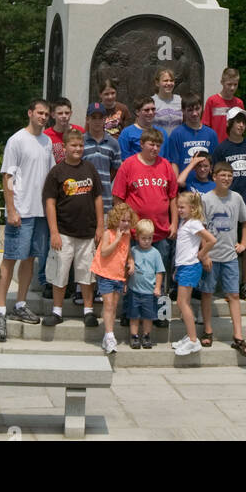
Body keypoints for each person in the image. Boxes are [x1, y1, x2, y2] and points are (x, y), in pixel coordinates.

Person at [0, 98, 54, 341]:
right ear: (30, 113)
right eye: (40, 113)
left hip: (39, 212)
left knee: (29, 259)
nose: (43, 117)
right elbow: (7, 176)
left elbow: (49, 176)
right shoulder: (17, 140)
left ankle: (20, 304)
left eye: (46, 114)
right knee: (10, 258)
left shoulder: (47, 141)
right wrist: (11, 209)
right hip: (21, 211)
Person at [112, 127, 178, 326]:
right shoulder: (128, 166)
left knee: (160, 273)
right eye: (151, 144)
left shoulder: (165, 165)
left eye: (158, 145)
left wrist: (174, 222)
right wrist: (123, 225)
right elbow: (118, 198)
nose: (155, 148)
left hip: (160, 232)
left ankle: (161, 313)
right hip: (134, 233)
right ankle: (128, 311)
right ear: (141, 144)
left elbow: (173, 197)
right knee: (130, 272)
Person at [40, 129, 103, 328]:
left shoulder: (90, 169)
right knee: (60, 273)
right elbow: (49, 203)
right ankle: (57, 311)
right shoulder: (57, 172)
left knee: (86, 274)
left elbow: (98, 198)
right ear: (65, 147)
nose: (78, 149)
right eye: (74, 145)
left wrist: (100, 226)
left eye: (80, 145)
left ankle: (88, 311)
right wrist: (54, 232)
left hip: (87, 232)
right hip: (64, 233)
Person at [211, 107, 246, 301]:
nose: (241, 125)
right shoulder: (221, 149)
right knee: (228, 244)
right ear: (230, 124)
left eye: (243, 122)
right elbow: (215, 175)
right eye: (237, 121)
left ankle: (245, 284)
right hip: (226, 204)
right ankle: (228, 286)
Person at [200, 161, 246, 356]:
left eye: (230, 175)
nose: (226, 179)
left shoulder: (236, 198)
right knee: (207, 292)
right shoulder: (206, 199)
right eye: (223, 175)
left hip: (230, 255)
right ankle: (207, 329)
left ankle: (238, 336)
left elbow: (245, 221)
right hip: (211, 256)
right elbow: (200, 229)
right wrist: (203, 253)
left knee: (234, 295)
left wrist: (244, 244)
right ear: (214, 177)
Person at [171, 192, 215, 356]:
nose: (179, 209)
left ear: (193, 208)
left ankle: (193, 340)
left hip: (190, 267)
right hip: (183, 266)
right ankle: (190, 336)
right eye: (178, 206)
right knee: (184, 302)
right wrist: (177, 268)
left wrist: (202, 254)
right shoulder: (185, 222)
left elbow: (211, 240)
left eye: (182, 207)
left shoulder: (195, 223)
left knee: (182, 303)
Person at [91, 200, 137, 355]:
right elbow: (104, 252)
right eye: (122, 220)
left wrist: (131, 261)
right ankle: (110, 336)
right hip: (105, 273)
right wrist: (116, 239)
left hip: (118, 275)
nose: (125, 224)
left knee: (114, 305)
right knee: (109, 304)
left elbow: (127, 253)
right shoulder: (108, 234)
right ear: (116, 220)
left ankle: (107, 335)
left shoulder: (127, 236)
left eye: (128, 221)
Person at [127, 217, 165, 349]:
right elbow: (127, 270)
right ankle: (134, 336)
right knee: (134, 316)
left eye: (149, 238)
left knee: (148, 316)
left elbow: (159, 272)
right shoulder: (133, 251)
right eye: (144, 238)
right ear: (137, 237)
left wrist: (158, 287)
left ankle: (146, 335)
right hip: (134, 291)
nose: (147, 241)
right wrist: (126, 285)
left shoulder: (155, 253)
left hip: (149, 292)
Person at [166, 96, 218, 177]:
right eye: (190, 110)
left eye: (197, 109)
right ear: (183, 111)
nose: (194, 113)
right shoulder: (176, 134)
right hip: (185, 184)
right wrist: (176, 186)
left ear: (201, 108)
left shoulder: (211, 134)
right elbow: (174, 163)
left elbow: (215, 163)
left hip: (206, 184)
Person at [83, 102, 121, 212]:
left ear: (105, 119)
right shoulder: (80, 142)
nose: (97, 121)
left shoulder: (113, 143)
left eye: (100, 118)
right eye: (93, 118)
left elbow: (115, 169)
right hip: (84, 200)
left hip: (105, 201)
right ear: (87, 119)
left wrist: (103, 182)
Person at [203, 67, 244, 144]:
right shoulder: (212, 101)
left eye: (235, 84)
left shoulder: (239, 103)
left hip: (233, 145)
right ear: (222, 82)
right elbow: (206, 126)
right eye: (229, 84)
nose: (232, 88)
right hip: (215, 146)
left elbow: (242, 126)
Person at [45, 97, 84, 164]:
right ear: (53, 115)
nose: (64, 116)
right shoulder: (46, 135)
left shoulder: (80, 131)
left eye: (67, 113)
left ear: (71, 113)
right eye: (60, 113)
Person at [151, 67, 183, 139]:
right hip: (158, 144)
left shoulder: (180, 100)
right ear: (157, 83)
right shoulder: (151, 102)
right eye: (165, 81)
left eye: (171, 80)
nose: (169, 83)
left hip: (176, 143)